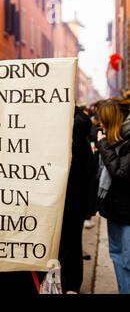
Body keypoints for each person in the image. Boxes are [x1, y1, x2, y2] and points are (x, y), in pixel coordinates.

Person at [58, 106, 94, 293]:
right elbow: (90, 170)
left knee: (61, 243)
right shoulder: (80, 128)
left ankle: (65, 283)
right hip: (75, 198)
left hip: (62, 197)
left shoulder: (65, 129)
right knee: (72, 243)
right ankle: (71, 285)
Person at [96, 98, 130, 294]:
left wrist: (103, 145)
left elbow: (120, 173)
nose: (100, 125)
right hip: (115, 209)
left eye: (103, 121)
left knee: (127, 261)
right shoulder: (115, 139)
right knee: (116, 256)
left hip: (127, 212)